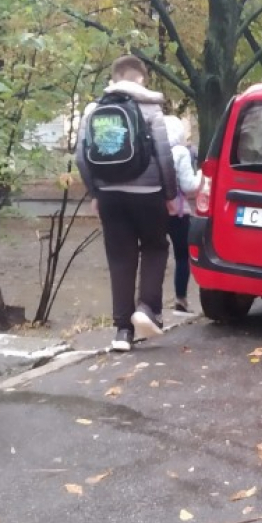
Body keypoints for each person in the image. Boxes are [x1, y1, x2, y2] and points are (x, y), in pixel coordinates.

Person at [76, 56, 178, 351]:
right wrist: (170, 195)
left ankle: (122, 332)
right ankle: (147, 310)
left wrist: (95, 192)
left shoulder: (94, 109)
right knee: (155, 247)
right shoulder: (150, 108)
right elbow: (164, 155)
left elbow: (82, 157)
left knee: (120, 258)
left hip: (109, 194)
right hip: (148, 194)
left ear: (114, 76)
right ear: (141, 79)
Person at [163, 115, 202, 314]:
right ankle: (181, 299)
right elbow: (189, 186)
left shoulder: (153, 150)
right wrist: (202, 175)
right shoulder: (180, 152)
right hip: (177, 213)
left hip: (152, 210)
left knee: (153, 254)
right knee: (182, 256)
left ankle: (148, 302)